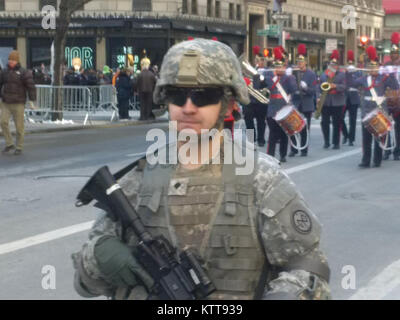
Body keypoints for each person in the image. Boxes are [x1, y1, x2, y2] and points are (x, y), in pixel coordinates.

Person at [72, 38, 331, 300]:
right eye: (177, 95)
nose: (188, 107)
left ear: (228, 104)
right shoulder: (137, 181)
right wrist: (99, 256)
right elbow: (84, 284)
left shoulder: (261, 181)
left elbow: (310, 270)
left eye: (203, 96)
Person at [347, 46, 399, 168]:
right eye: (370, 68)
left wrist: (391, 74)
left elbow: (395, 86)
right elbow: (351, 84)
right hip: (366, 110)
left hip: (380, 110)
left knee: (379, 137)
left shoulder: (384, 78)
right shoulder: (364, 79)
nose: (373, 70)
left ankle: (377, 160)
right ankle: (365, 160)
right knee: (366, 138)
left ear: (378, 68)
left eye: (375, 67)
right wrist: (349, 74)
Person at [264, 47, 298, 163]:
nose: (279, 68)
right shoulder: (269, 77)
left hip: (284, 108)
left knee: (284, 133)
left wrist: (291, 77)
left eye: (281, 66)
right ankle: (270, 156)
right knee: (272, 135)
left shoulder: (288, 78)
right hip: (273, 109)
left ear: (284, 67)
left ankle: (283, 155)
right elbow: (258, 85)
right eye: (277, 66)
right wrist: (263, 75)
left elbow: (294, 89)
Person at [0, 50, 36, 155]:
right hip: (6, 102)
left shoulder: (24, 72)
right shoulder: (5, 71)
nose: (10, 62)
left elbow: (31, 86)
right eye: (10, 60)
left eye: (13, 60)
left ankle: (19, 146)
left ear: (17, 61)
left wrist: (32, 100)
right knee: (3, 122)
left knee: (19, 126)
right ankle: (9, 143)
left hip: (18, 103)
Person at [290, 44, 317, 157]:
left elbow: (313, 90)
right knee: (293, 127)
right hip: (296, 102)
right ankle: (294, 149)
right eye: (298, 61)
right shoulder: (293, 72)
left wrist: (306, 88)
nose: (299, 64)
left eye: (301, 62)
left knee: (305, 128)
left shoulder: (311, 74)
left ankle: (304, 149)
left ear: (305, 62)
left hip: (306, 103)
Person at [318, 50, 346, 150]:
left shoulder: (342, 75)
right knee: (324, 122)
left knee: (336, 123)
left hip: (337, 101)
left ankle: (336, 142)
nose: (333, 66)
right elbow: (319, 86)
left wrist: (335, 86)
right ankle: (326, 141)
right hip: (326, 101)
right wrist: (318, 97)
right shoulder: (324, 74)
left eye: (335, 64)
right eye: (331, 64)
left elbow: (344, 87)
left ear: (338, 65)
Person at [243, 52, 268, 147]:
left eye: (261, 60)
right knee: (248, 121)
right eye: (257, 60)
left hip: (261, 101)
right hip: (249, 100)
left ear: (264, 61)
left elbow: (267, 85)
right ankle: (250, 140)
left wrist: (262, 78)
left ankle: (261, 139)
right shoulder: (250, 70)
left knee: (261, 121)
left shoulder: (267, 71)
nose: (259, 62)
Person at [383, 32, 400, 161]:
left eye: (396, 53)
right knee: (386, 126)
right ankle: (387, 149)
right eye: (392, 53)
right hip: (388, 98)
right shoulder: (386, 66)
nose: (394, 55)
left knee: (398, 126)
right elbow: (380, 80)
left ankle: (397, 151)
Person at [342, 50, 361, 147]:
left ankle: (351, 139)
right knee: (340, 118)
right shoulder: (344, 72)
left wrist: (352, 74)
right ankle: (346, 135)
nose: (350, 65)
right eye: (348, 63)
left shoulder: (357, 73)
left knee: (352, 121)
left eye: (351, 63)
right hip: (345, 98)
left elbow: (358, 83)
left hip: (354, 98)